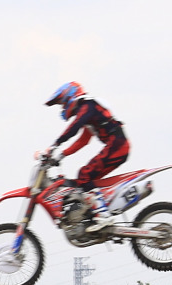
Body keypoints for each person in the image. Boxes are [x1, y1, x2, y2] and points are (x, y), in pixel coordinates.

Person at [43, 81, 129, 232]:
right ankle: (96, 213)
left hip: (117, 144)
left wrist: (54, 145)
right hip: (117, 145)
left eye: (62, 103)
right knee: (83, 181)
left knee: (85, 174)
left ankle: (103, 215)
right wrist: (61, 156)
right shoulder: (89, 112)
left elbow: (74, 127)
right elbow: (83, 140)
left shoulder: (88, 105)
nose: (62, 108)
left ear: (69, 95)